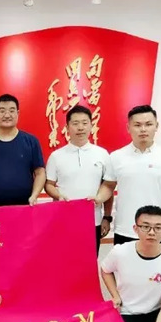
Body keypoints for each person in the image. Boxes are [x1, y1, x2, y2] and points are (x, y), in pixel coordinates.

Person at [93, 105, 161, 246]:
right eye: (137, 125)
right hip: (125, 228)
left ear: (156, 126)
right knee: (123, 261)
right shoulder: (116, 156)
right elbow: (109, 186)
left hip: (156, 229)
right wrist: (98, 198)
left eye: (148, 124)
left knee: (155, 261)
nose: (143, 129)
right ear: (128, 128)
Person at [45, 105, 113, 255]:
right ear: (67, 128)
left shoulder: (102, 154)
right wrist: (58, 195)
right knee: (63, 259)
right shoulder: (56, 156)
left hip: (93, 220)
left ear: (91, 126)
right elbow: (49, 185)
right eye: (75, 123)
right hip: (62, 219)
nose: (80, 128)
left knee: (89, 260)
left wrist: (107, 217)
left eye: (84, 123)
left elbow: (108, 185)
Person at [0, 94, 45, 207]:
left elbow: (40, 173)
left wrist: (34, 195)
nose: (7, 115)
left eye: (12, 111)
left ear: (18, 113)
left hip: (26, 206)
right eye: (2, 111)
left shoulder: (31, 141)